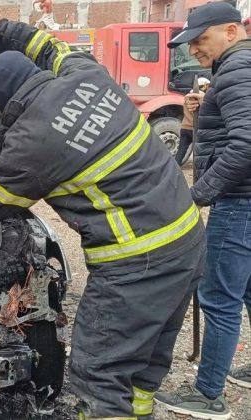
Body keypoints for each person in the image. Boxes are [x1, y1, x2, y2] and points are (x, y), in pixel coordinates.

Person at [0, 5, 206, 419]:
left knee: (98, 375)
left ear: (2, 103)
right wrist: (4, 27)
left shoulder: (31, 142)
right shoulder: (87, 73)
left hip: (139, 261)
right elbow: (47, 46)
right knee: (142, 366)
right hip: (186, 240)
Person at [155, 3, 251, 419]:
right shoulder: (234, 71)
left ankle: (208, 394)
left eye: (200, 39)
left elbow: (246, 145)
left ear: (231, 30)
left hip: (239, 203)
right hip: (245, 200)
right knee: (245, 289)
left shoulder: (236, 72)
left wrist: (201, 194)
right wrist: (194, 121)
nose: (194, 49)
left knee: (218, 296)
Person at [175, 77, 210, 166]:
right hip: (196, 129)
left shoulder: (187, 97)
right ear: (205, 86)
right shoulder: (203, 98)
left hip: (185, 127)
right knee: (198, 153)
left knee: (181, 152)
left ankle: (175, 167)